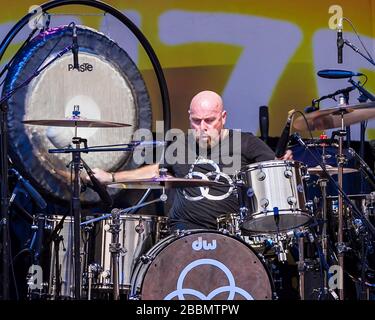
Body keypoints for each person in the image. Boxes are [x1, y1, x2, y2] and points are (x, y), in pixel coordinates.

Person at [91, 90, 292, 230]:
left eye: (209, 120)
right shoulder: (181, 144)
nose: (202, 126)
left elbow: (273, 166)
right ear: (189, 117)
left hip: (230, 234)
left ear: (223, 117)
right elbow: (155, 170)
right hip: (183, 232)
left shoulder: (246, 142)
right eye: (196, 121)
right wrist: (110, 177)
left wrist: (283, 161)